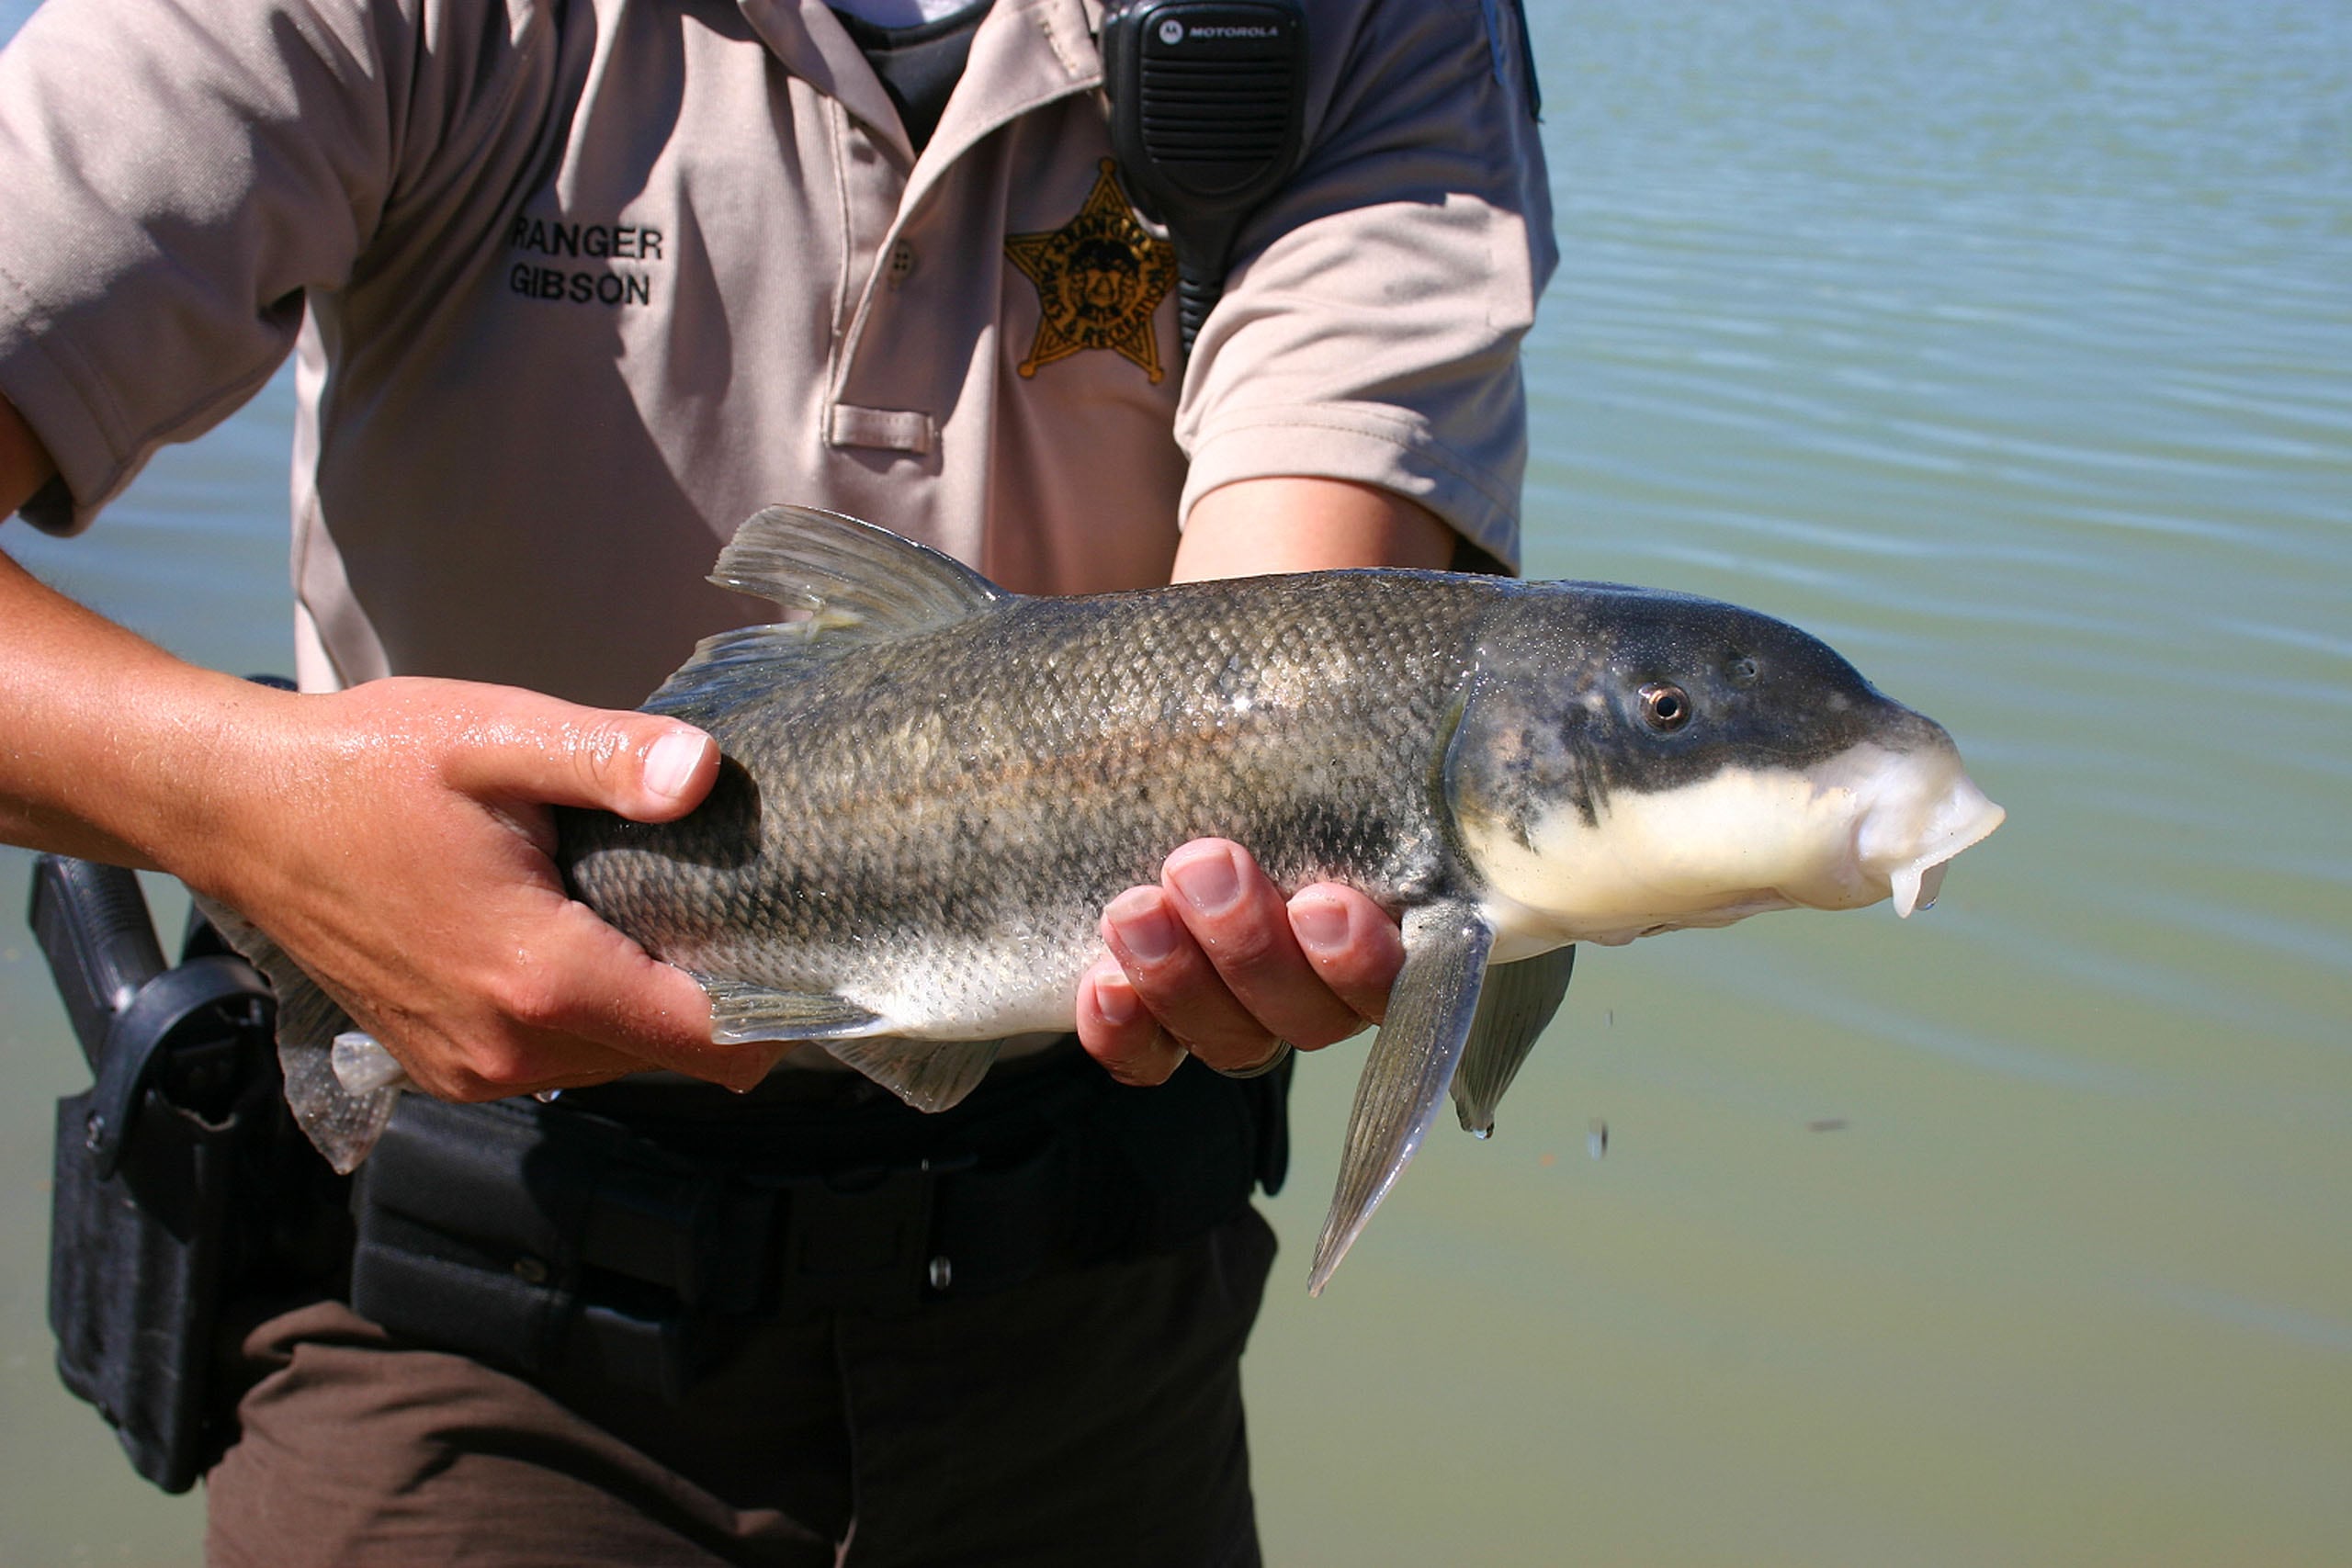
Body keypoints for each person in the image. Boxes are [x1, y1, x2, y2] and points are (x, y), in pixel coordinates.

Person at [0, 0, 1553, 1562]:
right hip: (469, 1302)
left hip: (1092, 1309)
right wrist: (242, 807)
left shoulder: (1378, 22)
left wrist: (1291, 890)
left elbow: (1317, 663)